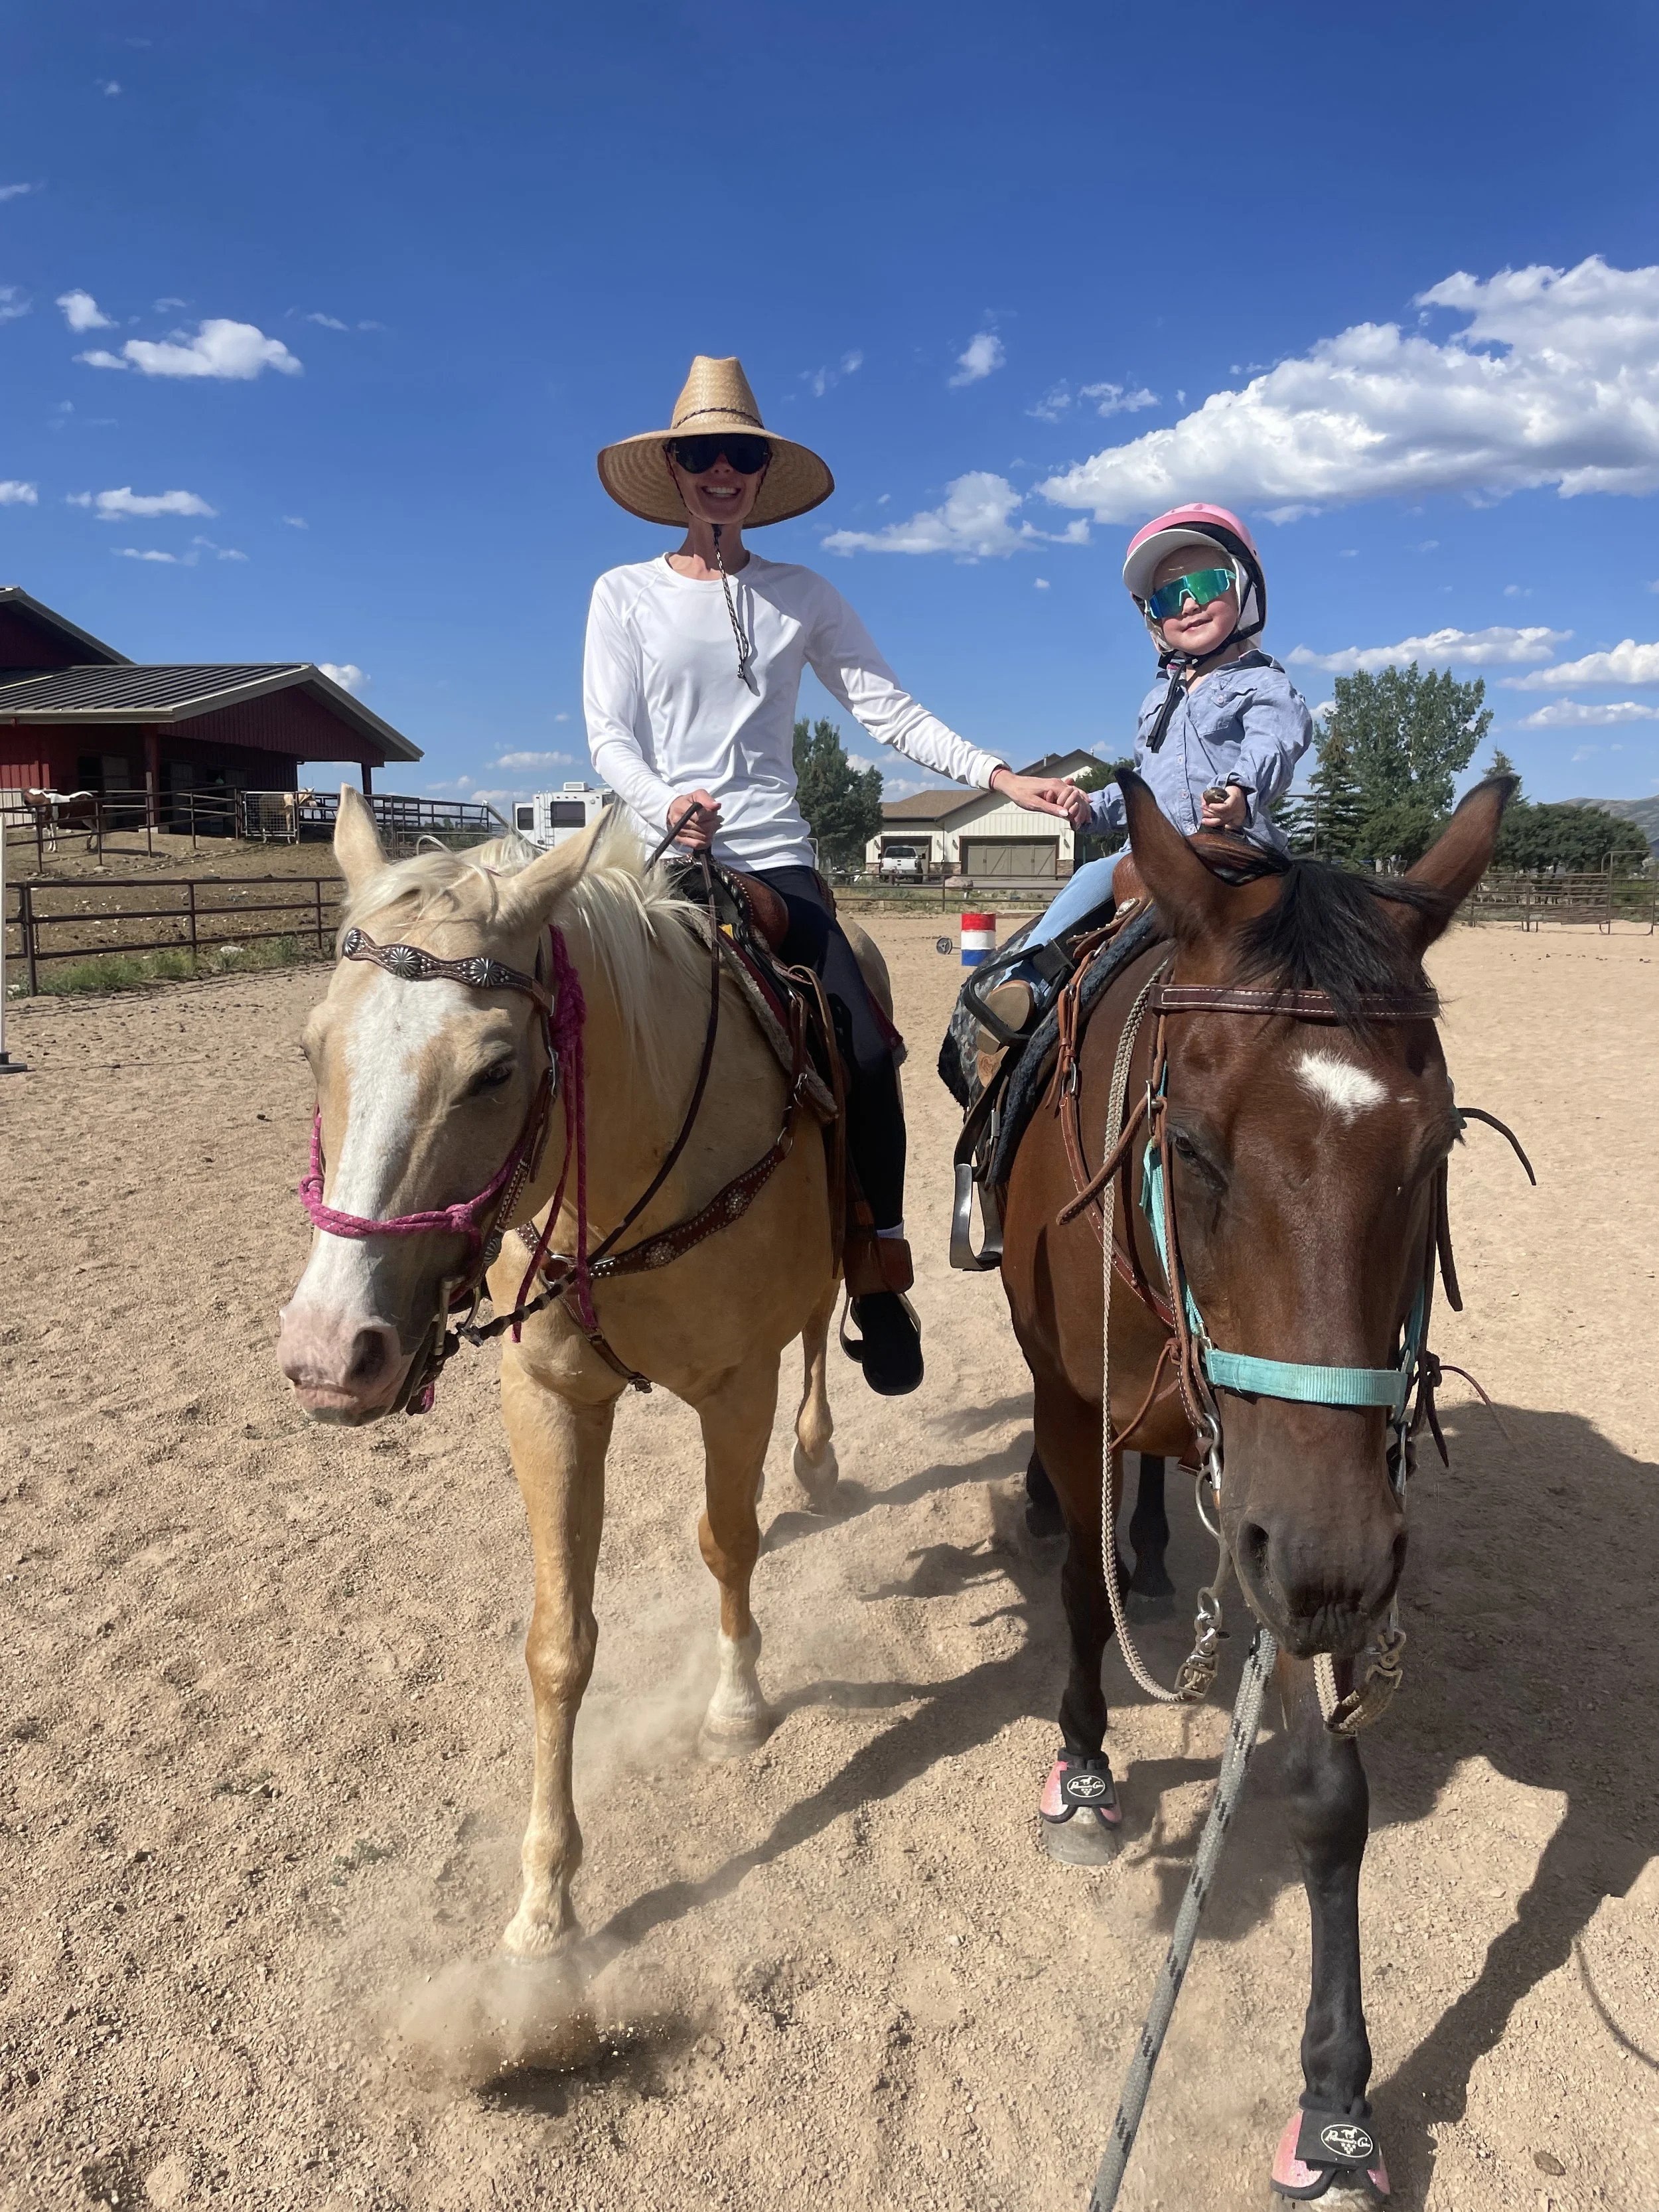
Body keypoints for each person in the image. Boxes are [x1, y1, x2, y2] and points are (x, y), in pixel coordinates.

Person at [585, 355, 1078, 1394]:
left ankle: (878, 1272)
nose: (724, 470)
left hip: (773, 856)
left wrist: (999, 776)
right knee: (573, 1022)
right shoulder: (621, 594)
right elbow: (608, 736)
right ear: (674, 471)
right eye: (702, 454)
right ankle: (547, 1261)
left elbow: (885, 710)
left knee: (861, 1044)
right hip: (662, 852)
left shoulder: (803, 593)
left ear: (762, 475)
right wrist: (663, 805)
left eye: (743, 455)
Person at [974, 503, 1315, 1053]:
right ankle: (1024, 984)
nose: (1187, 602)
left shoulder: (1264, 685)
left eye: (1205, 581)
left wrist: (1241, 792)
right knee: (1089, 882)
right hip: (1152, 855)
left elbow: (1274, 742)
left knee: (1315, 926)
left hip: (1234, 845)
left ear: (1244, 586)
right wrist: (1090, 805)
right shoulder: (1159, 698)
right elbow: (1147, 788)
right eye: (1166, 596)